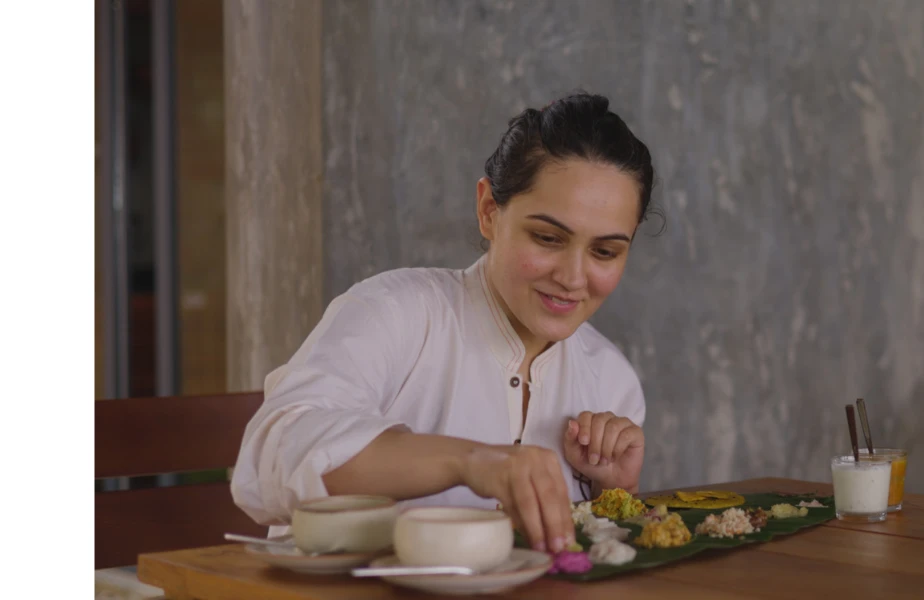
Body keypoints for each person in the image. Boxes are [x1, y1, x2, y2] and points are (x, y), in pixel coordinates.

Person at [231, 92, 656, 554]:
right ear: (489, 211)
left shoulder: (611, 380)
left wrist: (612, 493)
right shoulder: (395, 313)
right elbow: (274, 454)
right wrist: (472, 461)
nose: (573, 278)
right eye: (548, 238)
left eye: (605, 252)